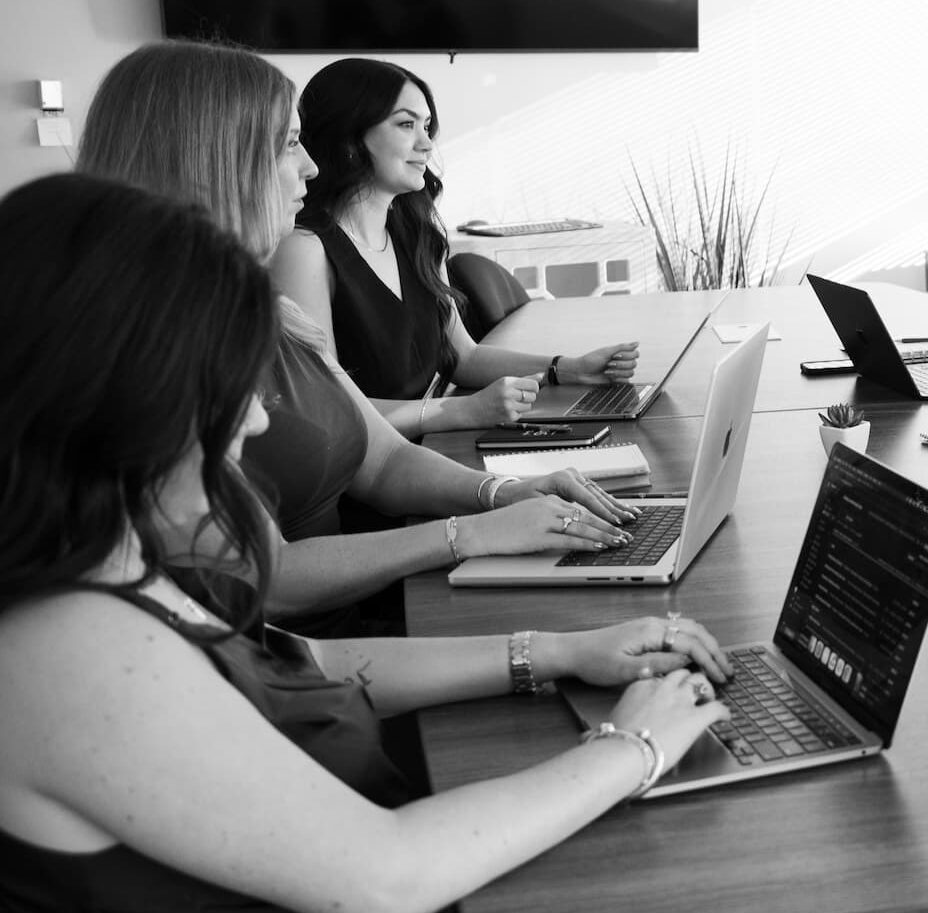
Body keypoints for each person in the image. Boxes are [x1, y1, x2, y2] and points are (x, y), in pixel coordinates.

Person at [0, 171, 731, 913]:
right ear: (121, 403)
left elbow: (307, 663)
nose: (256, 422)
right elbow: (387, 876)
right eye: (227, 391)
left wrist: (560, 652)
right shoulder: (65, 650)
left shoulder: (120, 561)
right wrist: (632, 747)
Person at [76, 41, 638, 637]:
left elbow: (385, 459)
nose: (310, 166)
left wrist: (505, 493)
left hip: (343, 622)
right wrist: (469, 531)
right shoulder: (150, 355)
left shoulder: (271, 310)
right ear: (212, 162)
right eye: (288, 143)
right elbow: (273, 583)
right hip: (307, 643)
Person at [272, 57, 640, 438]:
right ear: (350, 137)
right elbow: (328, 408)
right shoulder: (303, 249)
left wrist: (568, 368)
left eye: (427, 126)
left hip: (428, 446)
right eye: (406, 125)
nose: (426, 144)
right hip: (375, 466)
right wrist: (462, 410)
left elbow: (464, 356)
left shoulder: (417, 236)